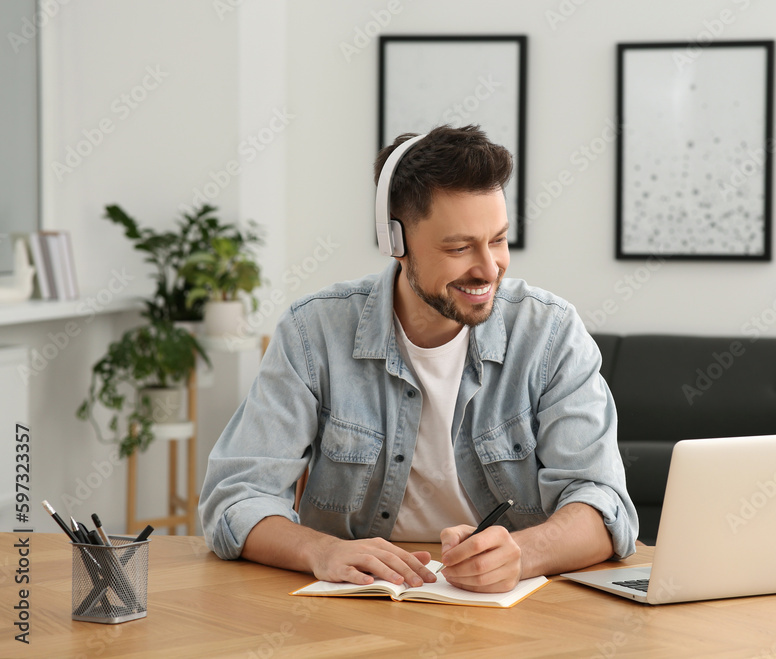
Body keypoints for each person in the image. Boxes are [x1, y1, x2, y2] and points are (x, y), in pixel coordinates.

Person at [199, 124, 638, 593]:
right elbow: (236, 498)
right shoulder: (314, 333)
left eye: (498, 240)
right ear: (396, 243)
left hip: (512, 610)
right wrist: (320, 550)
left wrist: (522, 555)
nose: (489, 269)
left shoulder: (550, 333)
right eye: (459, 247)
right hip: (355, 609)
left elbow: (604, 504)